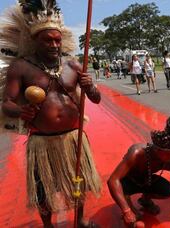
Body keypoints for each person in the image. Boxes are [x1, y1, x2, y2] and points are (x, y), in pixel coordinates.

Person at [0, 1, 101, 227]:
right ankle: (48, 225)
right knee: (43, 188)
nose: (54, 45)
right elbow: (7, 104)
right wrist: (21, 110)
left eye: (57, 40)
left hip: (74, 137)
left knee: (79, 182)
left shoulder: (73, 66)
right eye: (48, 40)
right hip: (42, 142)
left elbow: (95, 98)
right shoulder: (21, 67)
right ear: (35, 41)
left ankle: (81, 219)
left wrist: (90, 86)